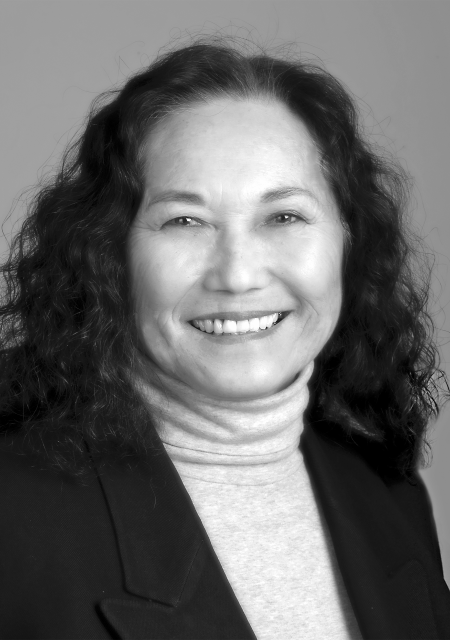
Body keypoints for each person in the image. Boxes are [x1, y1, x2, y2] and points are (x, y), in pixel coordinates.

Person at [0, 34, 449, 640]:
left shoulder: (386, 489)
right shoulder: (15, 519)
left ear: (348, 238)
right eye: (185, 220)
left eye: (284, 216)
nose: (237, 275)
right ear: (111, 255)